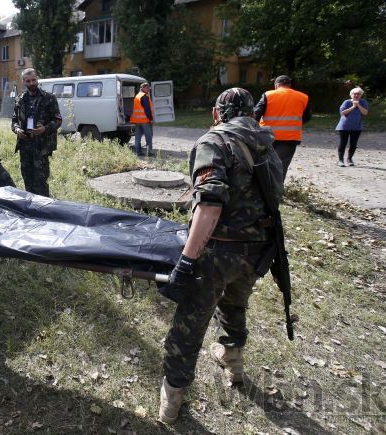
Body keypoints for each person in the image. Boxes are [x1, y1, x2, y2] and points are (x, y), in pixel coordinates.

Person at [158, 88, 284, 424]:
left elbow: (210, 206)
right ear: (251, 113)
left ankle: (172, 400)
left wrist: (186, 262)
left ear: (218, 113)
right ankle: (234, 363)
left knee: (190, 322)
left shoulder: (215, 142)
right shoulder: (267, 143)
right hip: (257, 251)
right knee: (235, 304)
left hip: (219, 252)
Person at [11, 68, 62, 197]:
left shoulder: (49, 98)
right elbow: (14, 121)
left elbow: (58, 119)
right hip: (25, 146)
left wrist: (44, 128)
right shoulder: (20, 99)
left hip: (41, 146)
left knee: (41, 181)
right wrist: (17, 130)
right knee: (27, 180)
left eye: (34, 80)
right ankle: (31, 210)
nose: (32, 83)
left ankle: (44, 210)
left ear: (37, 79)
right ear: (23, 82)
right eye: (28, 81)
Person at [254, 75, 311, 181]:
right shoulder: (303, 97)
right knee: (281, 166)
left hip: (267, 137)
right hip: (290, 138)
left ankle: (262, 190)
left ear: (277, 85)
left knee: (263, 164)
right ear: (289, 85)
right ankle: (277, 193)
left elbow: (256, 114)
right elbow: (307, 117)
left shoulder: (268, 95)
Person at [335, 87, 369, 167]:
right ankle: (340, 160)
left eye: (358, 94)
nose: (356, 95)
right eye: (355, 94)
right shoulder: (346, 102)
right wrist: (353, 106)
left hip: (357, 127)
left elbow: (365, 113)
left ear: (361, 95)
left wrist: (358, 105)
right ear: (351, 95)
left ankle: (349, 159)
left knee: (353, 144)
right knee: (343, 143)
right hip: (344, 127)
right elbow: (342, 113)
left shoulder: (363, 102)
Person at [131, 82, 155, 157]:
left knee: (137, 137)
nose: (148, 89)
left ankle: (138, 152)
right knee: (149, 136)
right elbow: (147, 110)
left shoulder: (137, 96)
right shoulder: (144, 96)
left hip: (137, 121)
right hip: (145, 121)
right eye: (147, 88)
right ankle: (150, 153)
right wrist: (150, 119)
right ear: (143, 88)